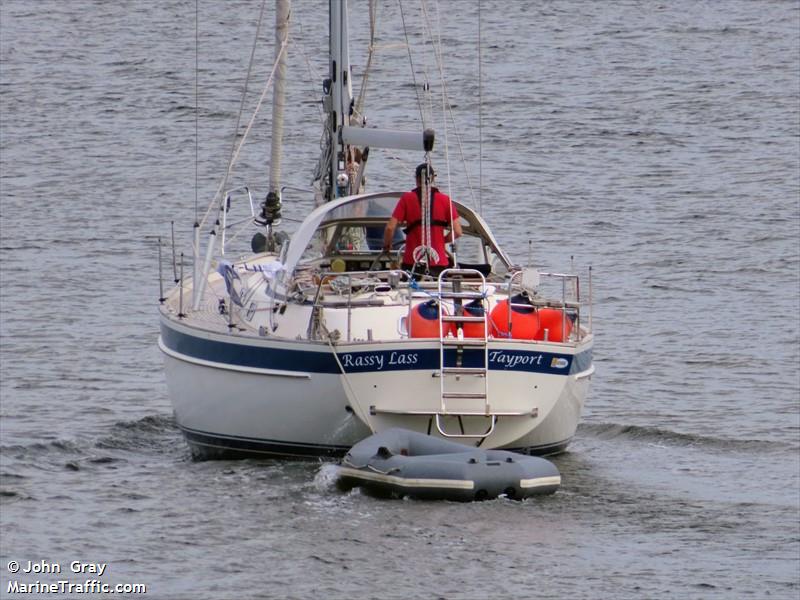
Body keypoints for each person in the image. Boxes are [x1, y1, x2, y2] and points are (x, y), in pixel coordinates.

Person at [383, 163, 462, 276]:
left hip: (412, 262)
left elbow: (390, 228)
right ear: (433, 178)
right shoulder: (445, 200)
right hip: (439, 263)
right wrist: (441, 241)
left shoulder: (407, 199)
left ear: (416, 178)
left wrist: (387, 245)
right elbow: (458, 232)